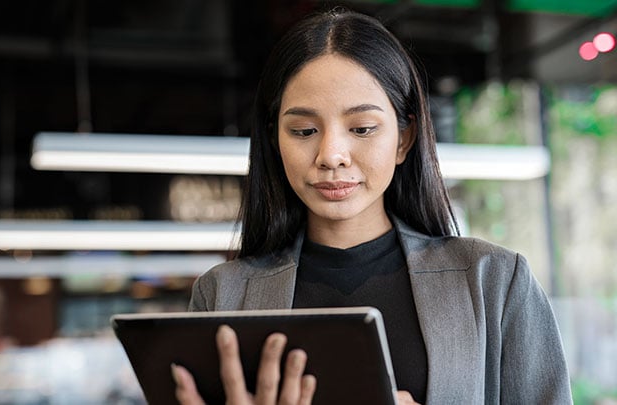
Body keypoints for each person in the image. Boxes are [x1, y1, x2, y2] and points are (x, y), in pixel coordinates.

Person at [170, 7, 573, 405]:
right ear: (275, 140)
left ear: (403, 138)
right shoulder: (222, 295)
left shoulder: (495, 282)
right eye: (304, 130)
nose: (331, 155)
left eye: (362, 128)